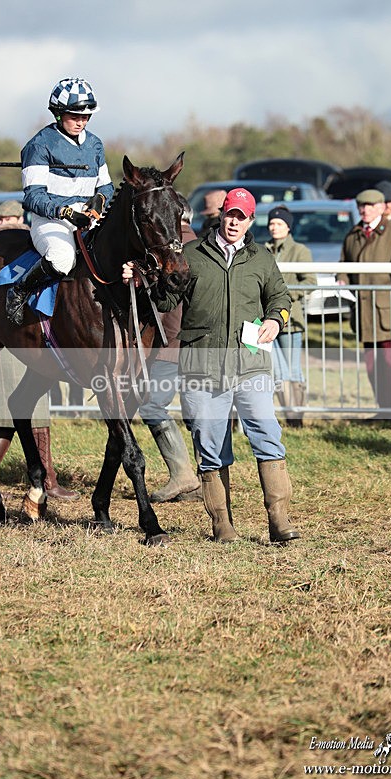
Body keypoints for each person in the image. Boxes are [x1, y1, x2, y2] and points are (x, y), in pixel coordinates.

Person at [124, 187, 299, 544]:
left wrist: (275, 319)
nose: (234, 222)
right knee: (211, 444)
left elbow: (281, 297)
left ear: (250, 221)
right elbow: (166, 300)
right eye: (230, 214)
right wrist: (141, 281)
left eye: (242, 217)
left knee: (267, 437)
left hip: (250, 364)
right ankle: (222, 525)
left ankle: (279, 521)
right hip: (201, 367)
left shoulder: (262, 259)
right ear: (221, 215)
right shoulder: (192, 255)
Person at [0, 200, 78, 501]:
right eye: (5, 219)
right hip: (9, 330)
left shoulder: (37, 242)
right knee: (8, 412)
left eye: (13, 218)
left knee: (30, 408)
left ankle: (46, 478)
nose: (9, 223)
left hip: (32, 335)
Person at [6, 77, 115, 326]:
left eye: (86, 116)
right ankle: (19, 291)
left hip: (88, 218)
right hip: (51, 220)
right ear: (58, 113)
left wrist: (99, 201)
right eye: (75, 116)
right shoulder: (38, 145)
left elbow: (106, 186)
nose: (81, 122)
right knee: (62, 259)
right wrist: (65, 212)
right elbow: (33, 197)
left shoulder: (95, 144)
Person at [138, 194, 200, 502]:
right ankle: (207, 478)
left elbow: (169, 308)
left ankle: (184, 476)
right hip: (197, 347)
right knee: (198, 412)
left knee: (152, 405)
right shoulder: (201, 246)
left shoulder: (168, 250)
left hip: (171, 346)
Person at [337, 189, 391, 416]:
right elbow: (344, 265)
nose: (365, 210)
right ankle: (384, 410)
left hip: (390, 311)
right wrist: (342, 279)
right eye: (362, 205)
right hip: (364, 311)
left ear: (381, 207)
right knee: (373, 366)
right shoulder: (353, 234)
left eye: (370, 205)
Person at [265, 205, 316, 427]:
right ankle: (288, 413)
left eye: (279, 223)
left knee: (293, 370)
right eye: (271, 223)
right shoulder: (263, 249)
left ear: (288, 227)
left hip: (290, 320)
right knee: (277, 370)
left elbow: (310, 281)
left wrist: (284, 294)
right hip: (266, 319)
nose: (274, 227)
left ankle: (297, 416)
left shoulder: (300, 250)